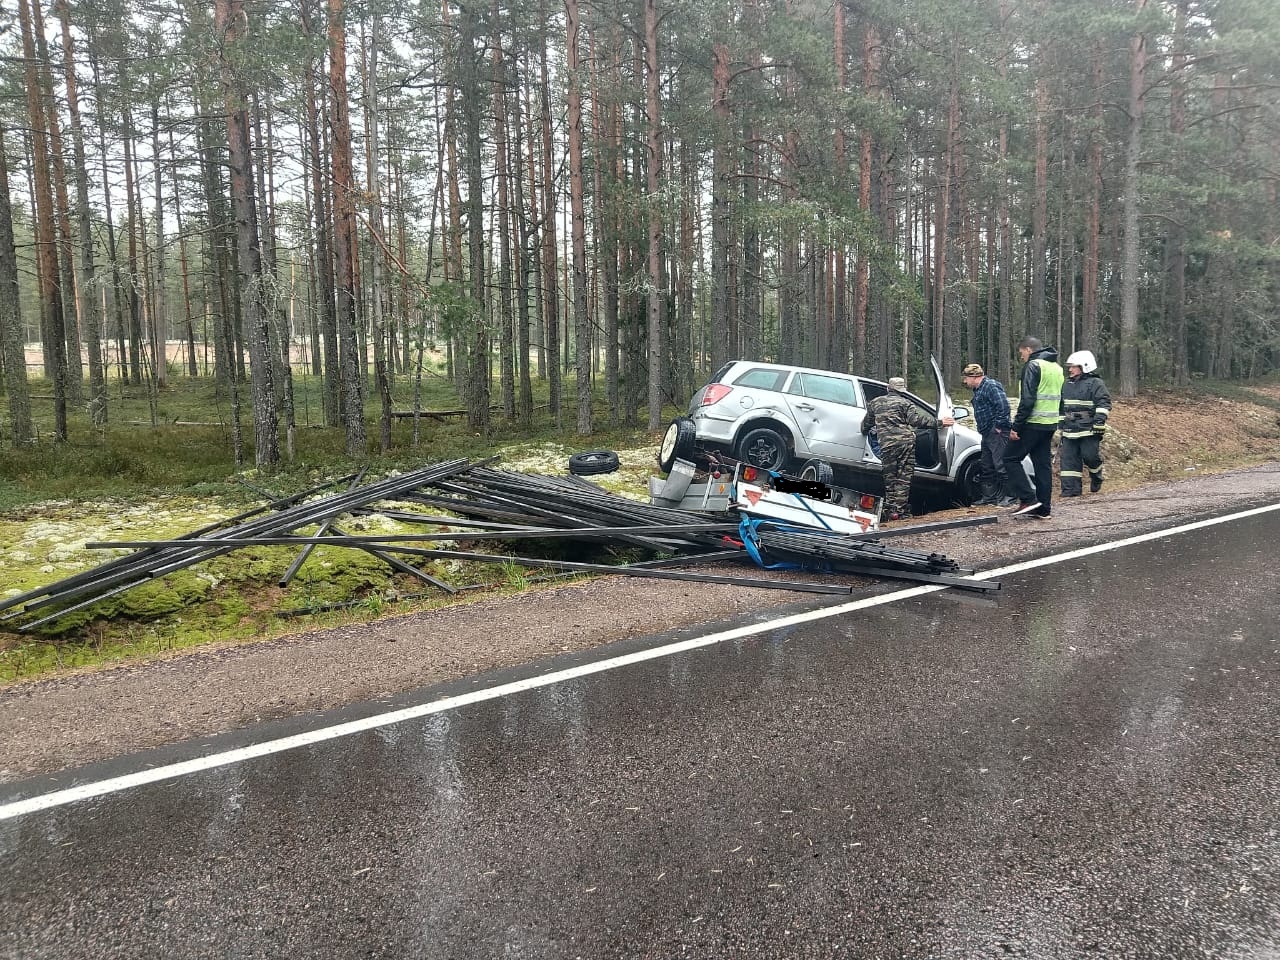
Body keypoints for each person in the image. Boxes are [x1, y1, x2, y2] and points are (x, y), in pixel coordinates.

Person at [861, 376, 954, 521]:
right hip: (906, 443)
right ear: (902, 390)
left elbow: (866, 423)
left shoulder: (876, 403)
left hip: (887, 444)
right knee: (903, 477)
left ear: (888, 388)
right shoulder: (907, 403)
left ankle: (890, 509)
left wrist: (864, 431)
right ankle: (899, 511)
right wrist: (940, 423)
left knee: (890, 477)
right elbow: (917, 421)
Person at [1002, 336, 1064, 519]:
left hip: (1033, 422)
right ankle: (1043, 508)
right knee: (1042, 465)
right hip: (1049, 424)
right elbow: (1061, 398)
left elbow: (1028, 400)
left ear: (1029, 349)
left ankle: (1028, 499)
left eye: (1021, 352)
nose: (1021, 356)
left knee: (1010, 458)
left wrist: (1016, 426)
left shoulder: (1033, 366)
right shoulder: (1057, 368)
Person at [1059, 350, 1112, 497]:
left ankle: (1096, 475)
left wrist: (1099, 423)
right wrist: (1061, 424)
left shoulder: (1096, 384)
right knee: (1068, 462)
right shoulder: (1067, 384)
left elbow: (1104, 403)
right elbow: (1061, 405)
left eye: (1073, 366)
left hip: (1088, 429)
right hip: (1070, 429)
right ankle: (1070, 492)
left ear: (1085, 366)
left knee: (1090, 457)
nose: (1070, 369)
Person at [959, 363, 1014, 506]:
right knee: (987, 465)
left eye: (966, 378)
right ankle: (989, 497)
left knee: (1001, 463)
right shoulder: (978, 390)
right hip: (986, 432)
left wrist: (999, 426)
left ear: (974, 376)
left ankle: (1012, 496)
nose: (965, 381)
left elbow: (1003, 406)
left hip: (996, 432)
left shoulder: (991, 386)